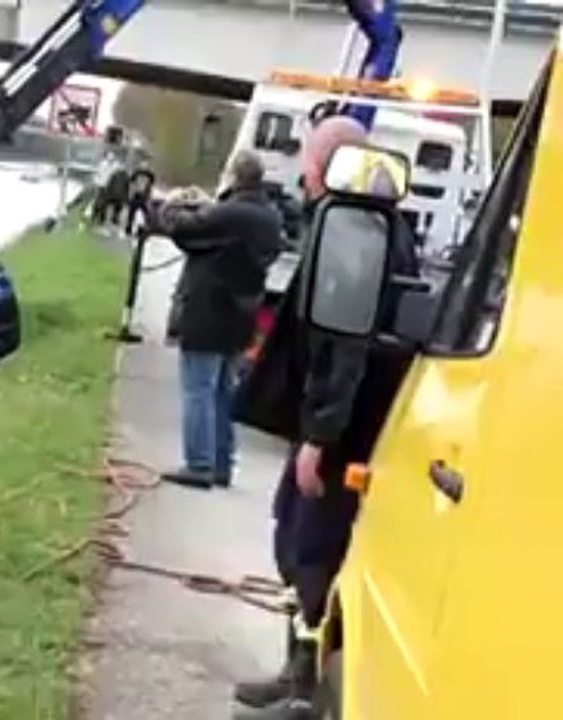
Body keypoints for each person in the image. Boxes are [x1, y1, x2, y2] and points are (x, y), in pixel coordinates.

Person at [231, 115, 422, 720]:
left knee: (311, 547)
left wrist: (319, 438)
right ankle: (299, 671)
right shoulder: (365, 224)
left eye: (310, 161)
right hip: (338, 428)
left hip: (341, 436)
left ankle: (305, 687)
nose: (305, 175)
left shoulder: (356, 232)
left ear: (325, 165)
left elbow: (346, 348)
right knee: (294, 537)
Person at [156, 151, 283, 490]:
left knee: (198, 389)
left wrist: (172, 206)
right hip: (241, 315)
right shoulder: (270, 217)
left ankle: (198, 464)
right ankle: (221, 464)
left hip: (208, 310)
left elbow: (183, 229)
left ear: (234, 176)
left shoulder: (231, 213)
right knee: (223, 393)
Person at [125, 166, 157, 237]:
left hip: (141, 196)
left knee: (135, 213)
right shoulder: (147, 175)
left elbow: (132, 182)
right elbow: (132, 182)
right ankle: (135, 228)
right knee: (139, 213)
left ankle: (131, 228)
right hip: (141, 196)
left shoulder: (140, 174)